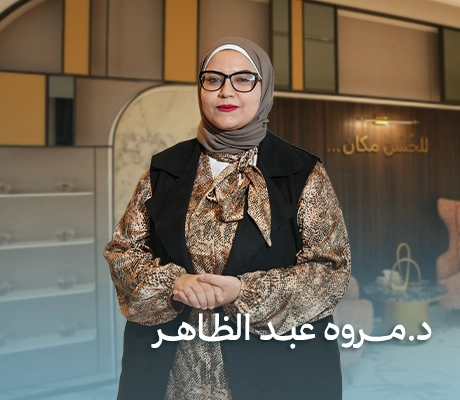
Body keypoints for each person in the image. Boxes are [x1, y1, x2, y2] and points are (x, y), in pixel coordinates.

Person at [104, 37, 351, 400]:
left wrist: (243, 292)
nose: (226, 91)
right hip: (171, 371)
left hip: (278, 371)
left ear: (263, 87)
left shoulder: (300, 171)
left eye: (243, 79)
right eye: (213, 79)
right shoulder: (164, 170)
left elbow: (331, 271)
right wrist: (174, 283)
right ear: (200, 88)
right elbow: (123, 252)